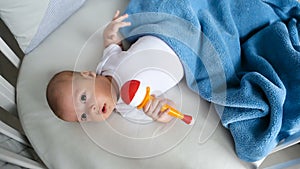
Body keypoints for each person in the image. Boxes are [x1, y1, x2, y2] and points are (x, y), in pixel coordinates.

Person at [46, 10, 184, 123]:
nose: (91, 109)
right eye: (83, 117)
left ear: (89, 75)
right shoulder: (128, 109)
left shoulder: (106, 64)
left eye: (83, 98)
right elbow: (163, 110)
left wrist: (109, 33)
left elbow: (112, 44)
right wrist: (163, 113)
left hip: (161, 33)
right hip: (184, 57)